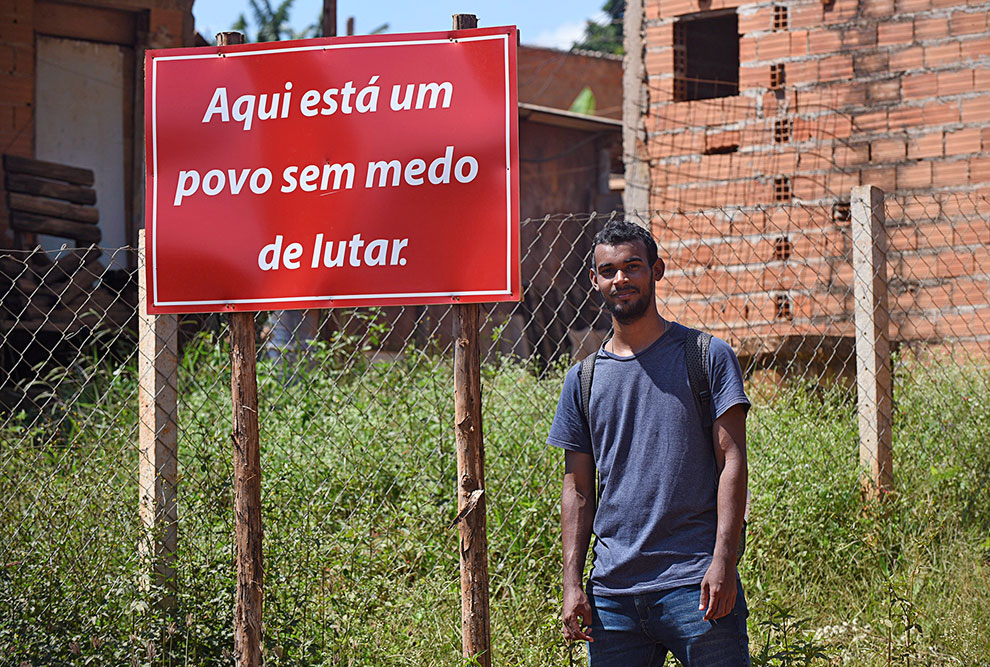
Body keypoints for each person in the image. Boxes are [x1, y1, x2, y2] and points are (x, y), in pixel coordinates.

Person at [547, 220, 751, 666]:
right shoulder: (582, 380)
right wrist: (573, 585)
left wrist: (724, 562)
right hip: (613, 597)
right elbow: (578, 489)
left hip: (695, 585)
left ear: (656, 270)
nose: (620, 279)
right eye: (608, 270)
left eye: (632, 267)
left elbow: (732, 460)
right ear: (595, 281)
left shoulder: (706, 356)